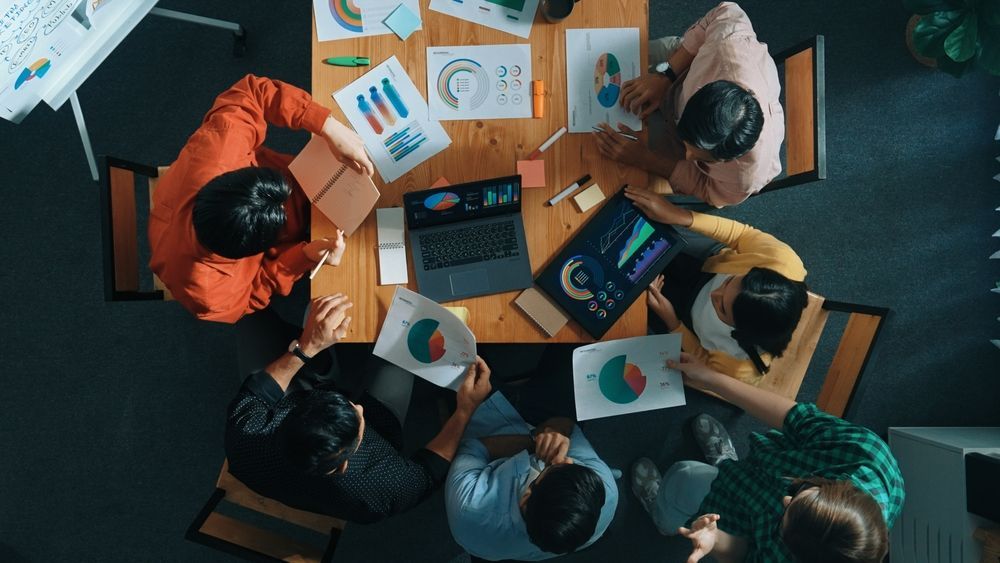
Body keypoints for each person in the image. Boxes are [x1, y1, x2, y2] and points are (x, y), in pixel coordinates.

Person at [225, 294, 493, 523]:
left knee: (246, 307)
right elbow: (429, 471)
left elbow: (259, 390)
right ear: (344, 465)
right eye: (358, 418)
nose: (360, 409)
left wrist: (307, 347)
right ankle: (323, 369)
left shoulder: (244, 434)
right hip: (381, 426)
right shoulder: (385, 491)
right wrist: (464, 410)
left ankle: (320, 367)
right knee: (404, 346)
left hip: (286, 422)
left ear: (291, 414)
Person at [631, 353, 904, 563]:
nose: (785, 499)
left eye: (785, 520)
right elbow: (794, 417)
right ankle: (727, 464)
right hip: (763, 470)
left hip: (738, 515)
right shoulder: (865, 453)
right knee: (698, 475)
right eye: (801, 490)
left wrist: (716, 540)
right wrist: (711, 378)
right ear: (843, 488)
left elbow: (747, 554)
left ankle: (664, 515)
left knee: (683, 478)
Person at [149, 74, 374, 323]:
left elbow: (254, 92)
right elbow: (253, 294)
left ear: (236, 178)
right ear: (247, 254)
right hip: (289, 251)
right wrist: (303, 257)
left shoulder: (220, 151)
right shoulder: (208, 294)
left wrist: (327, 125)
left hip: (304, 179)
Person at [593, 2, 784, 207]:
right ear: (701, 91)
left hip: (672, 143)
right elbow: (726, 10)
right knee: (598, 54)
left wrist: (645, 159)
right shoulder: (729, 46)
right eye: (689, 145)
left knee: (605, 162)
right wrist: (666, 76)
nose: (687, 155)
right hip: (681, 66)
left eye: (705, 160)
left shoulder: (746, 176)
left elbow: (706, 188)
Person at [625, 186, 807, 384]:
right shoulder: (782, 261)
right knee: (645, 220)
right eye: (729, 281)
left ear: (739, 331)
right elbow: (741, 235)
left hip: (683, 317)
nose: (714, 294)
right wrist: (678, 215)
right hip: (709, 263)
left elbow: (701, 360)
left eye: (722, 308)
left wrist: (672, 321)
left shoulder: (740, 369)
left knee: (626, 299)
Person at [445, 391, 618, 561]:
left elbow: (472, 448)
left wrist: (536, 442)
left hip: (490, 427)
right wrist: (557, 430)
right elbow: (569, 427)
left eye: (552, 466)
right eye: (573, 465)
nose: (567, 459)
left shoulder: (468, 507)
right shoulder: (606, 488)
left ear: (526, 497)